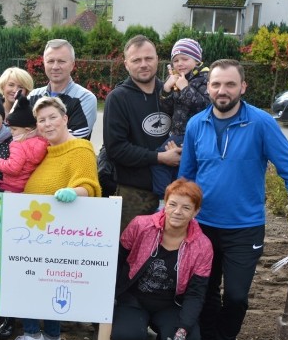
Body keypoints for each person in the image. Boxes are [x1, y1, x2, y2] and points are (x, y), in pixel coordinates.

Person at [177, 59, 288, 340]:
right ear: (208, 87)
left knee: (236, 296)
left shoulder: (261, 123)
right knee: (206, 291)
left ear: (243, 87)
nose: (222, 91)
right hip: (203, 226)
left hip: (245, 227)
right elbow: (186, 176)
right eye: (216, 85)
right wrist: (176, 214)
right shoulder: (197, 124)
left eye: (229, 85)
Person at [5, 96, 100, 340]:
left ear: (65, 119)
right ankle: (49, 336)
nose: (47, 124)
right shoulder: (46, 151)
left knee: (43, 281)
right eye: (41, 120)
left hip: (59, 231)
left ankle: (34, 334)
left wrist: (74, 192)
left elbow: (89, 184)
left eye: (52, 118)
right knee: (41, 282)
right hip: (36, 229)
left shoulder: (79, 148)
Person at [112, 179, 212, 340]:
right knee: (126, 336)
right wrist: (113, 295)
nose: (177, 211)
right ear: (164, 204)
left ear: (195, 212)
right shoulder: (141, 225)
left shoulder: (203, 246)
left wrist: (183, 328)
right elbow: (118, 259)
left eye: (186, 207)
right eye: (172, 204)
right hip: (134, 299)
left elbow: (196, 292)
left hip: (171, 304)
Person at [103, 35, 180, 229]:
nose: (143, 64)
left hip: (175, 193)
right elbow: (116, 149)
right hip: (134, 194)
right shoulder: (118, 98)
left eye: (149, 58)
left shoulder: (174, 91)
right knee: (129, 253)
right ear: (126, 64)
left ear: (157, 59)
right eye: (136, 60)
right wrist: (160, 158)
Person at [151, 38, 210, 202]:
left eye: (185, 59)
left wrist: (185, 88)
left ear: (197, 60)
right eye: (176, 60)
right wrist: (166, 90)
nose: (180, 63)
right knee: (176, 169)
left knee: (159, 161)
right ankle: (175, 201)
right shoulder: (179, 78)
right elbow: (167, 109)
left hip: (194, 134)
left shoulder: (205, 79)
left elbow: (205, 107)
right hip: (177, 133)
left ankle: (165, 202)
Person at [27, 39, 97, 139]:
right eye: (50, 61)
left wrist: (35, 133)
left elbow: (77, 137)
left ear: (72, 65)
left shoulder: (85, 98)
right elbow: (19, 131)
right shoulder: (32, 96)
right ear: (44, 64)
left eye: (61, 61)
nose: (55, 67)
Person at [0, 91, 48, 194]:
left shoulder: (18, 144)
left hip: (12, 187)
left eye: (14, 129)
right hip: (27, 186)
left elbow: (13, 168)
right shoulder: (42, 142)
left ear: (27, 130)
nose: (11, 131)